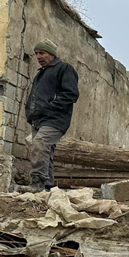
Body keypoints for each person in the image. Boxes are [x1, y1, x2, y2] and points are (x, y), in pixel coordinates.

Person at [19, 39, 79, 192]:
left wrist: (51, 106)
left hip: (55, 120)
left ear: (51, 54)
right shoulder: (41, 74)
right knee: (45, 151)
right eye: (36, 53)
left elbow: (71, 94)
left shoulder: (64, 68)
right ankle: (48, 186)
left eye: (42, 53)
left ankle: (37, 183)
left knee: (39, 144)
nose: (38, 56)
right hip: (38, 120)